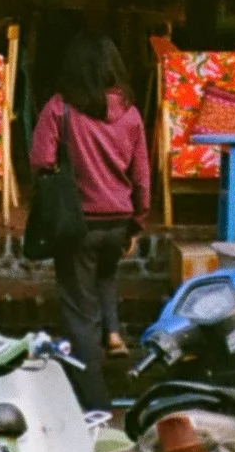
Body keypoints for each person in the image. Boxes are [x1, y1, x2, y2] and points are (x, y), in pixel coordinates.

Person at [28, 32, 150, 410]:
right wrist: (137, 222)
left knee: (80, 314)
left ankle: (96, 403)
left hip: (77, 223)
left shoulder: (59, 109)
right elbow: (142, 175)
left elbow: (40, 161)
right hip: (118, 219)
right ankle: (113, 333)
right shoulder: (130, 112)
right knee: (105, 275)